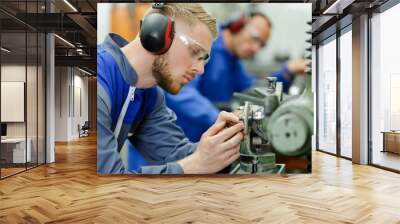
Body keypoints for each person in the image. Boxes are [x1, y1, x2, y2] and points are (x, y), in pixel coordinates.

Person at [97, 3, 244, 174]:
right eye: (195, 52)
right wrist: (195, 165)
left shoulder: (149, 94)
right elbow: (108, 180)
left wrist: (226, 138)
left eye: (203, 59)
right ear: (157, 35)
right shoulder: (99, 78)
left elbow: (176, 155)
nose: (200, 69)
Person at [165, 12, 307, 142]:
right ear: (236, 26)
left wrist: (287, 71)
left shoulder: (234, 61)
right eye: (255, 38)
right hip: (181, 141)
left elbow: (254, 91)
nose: (256, 49)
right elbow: (180, 92)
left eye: (262, 45)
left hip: (208, 142)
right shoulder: (205, 45)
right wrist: (221, 119)